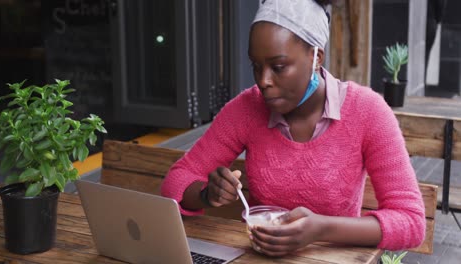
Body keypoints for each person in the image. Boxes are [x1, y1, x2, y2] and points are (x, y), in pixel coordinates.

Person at [161, 0, 425, 257]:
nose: (263, 81)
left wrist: (322, 228)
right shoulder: (246, 109)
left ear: (316, 57)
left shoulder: (368, 112)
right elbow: (177, 180)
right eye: (256, 66)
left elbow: (411, 221)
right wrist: (207, 194)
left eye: (278, 67)